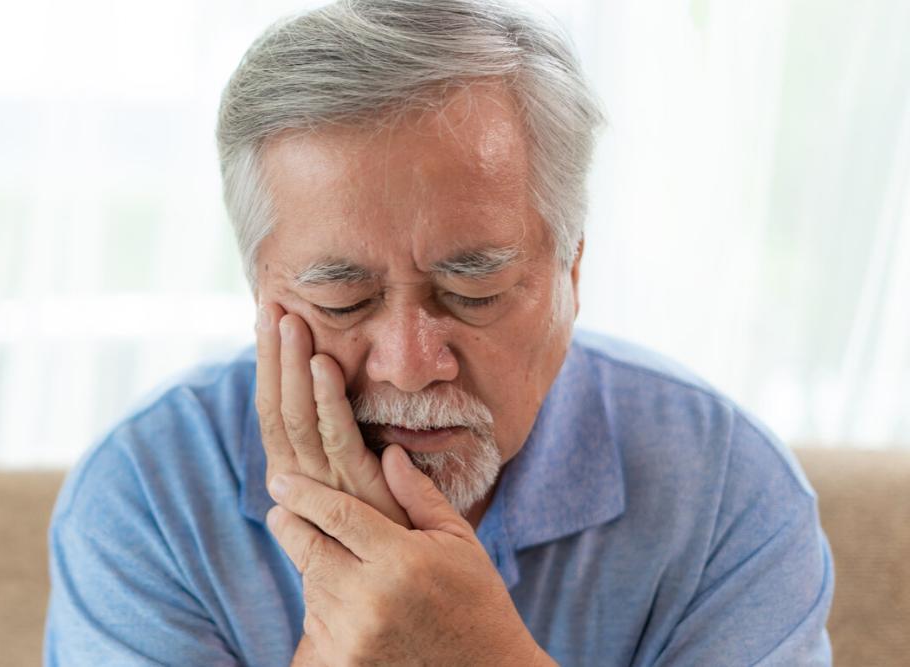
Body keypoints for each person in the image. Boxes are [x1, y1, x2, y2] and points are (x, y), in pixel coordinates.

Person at [43, 0, 834, 664]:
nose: (410, 364)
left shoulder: (727, 489)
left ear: (573, 272)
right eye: (344, 301)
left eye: (473, 289)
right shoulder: (146, 495)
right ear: (262, 294)